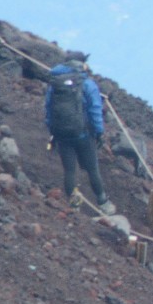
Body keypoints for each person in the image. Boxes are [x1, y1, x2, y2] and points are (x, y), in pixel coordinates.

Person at [43, 52, 108, 209]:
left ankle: (74, 206)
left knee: (70, 171)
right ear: (82, 64)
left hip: (62, 135)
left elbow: (48, 109)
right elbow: (95, 110)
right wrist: (99, 132)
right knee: (92, 168)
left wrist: (53, 130)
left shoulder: (55, 83)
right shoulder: (87, 84)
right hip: (84, 134)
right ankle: (103, 202)